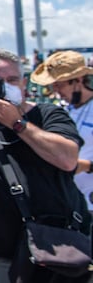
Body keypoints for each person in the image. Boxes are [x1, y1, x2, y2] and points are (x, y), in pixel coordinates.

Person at [0, 49, 91, 283]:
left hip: (63, 244)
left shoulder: (49, 113)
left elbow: (68, 159)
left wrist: (16, 123)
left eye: (11, 80)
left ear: (23, 83)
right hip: (5, 251)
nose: (5, 87)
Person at [31, 50, 93, 215]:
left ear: (78, 80)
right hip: (68, 203)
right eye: (54, 85)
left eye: (60, 84)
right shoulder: (61, 111)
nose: (56, 91)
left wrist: (86, 165)